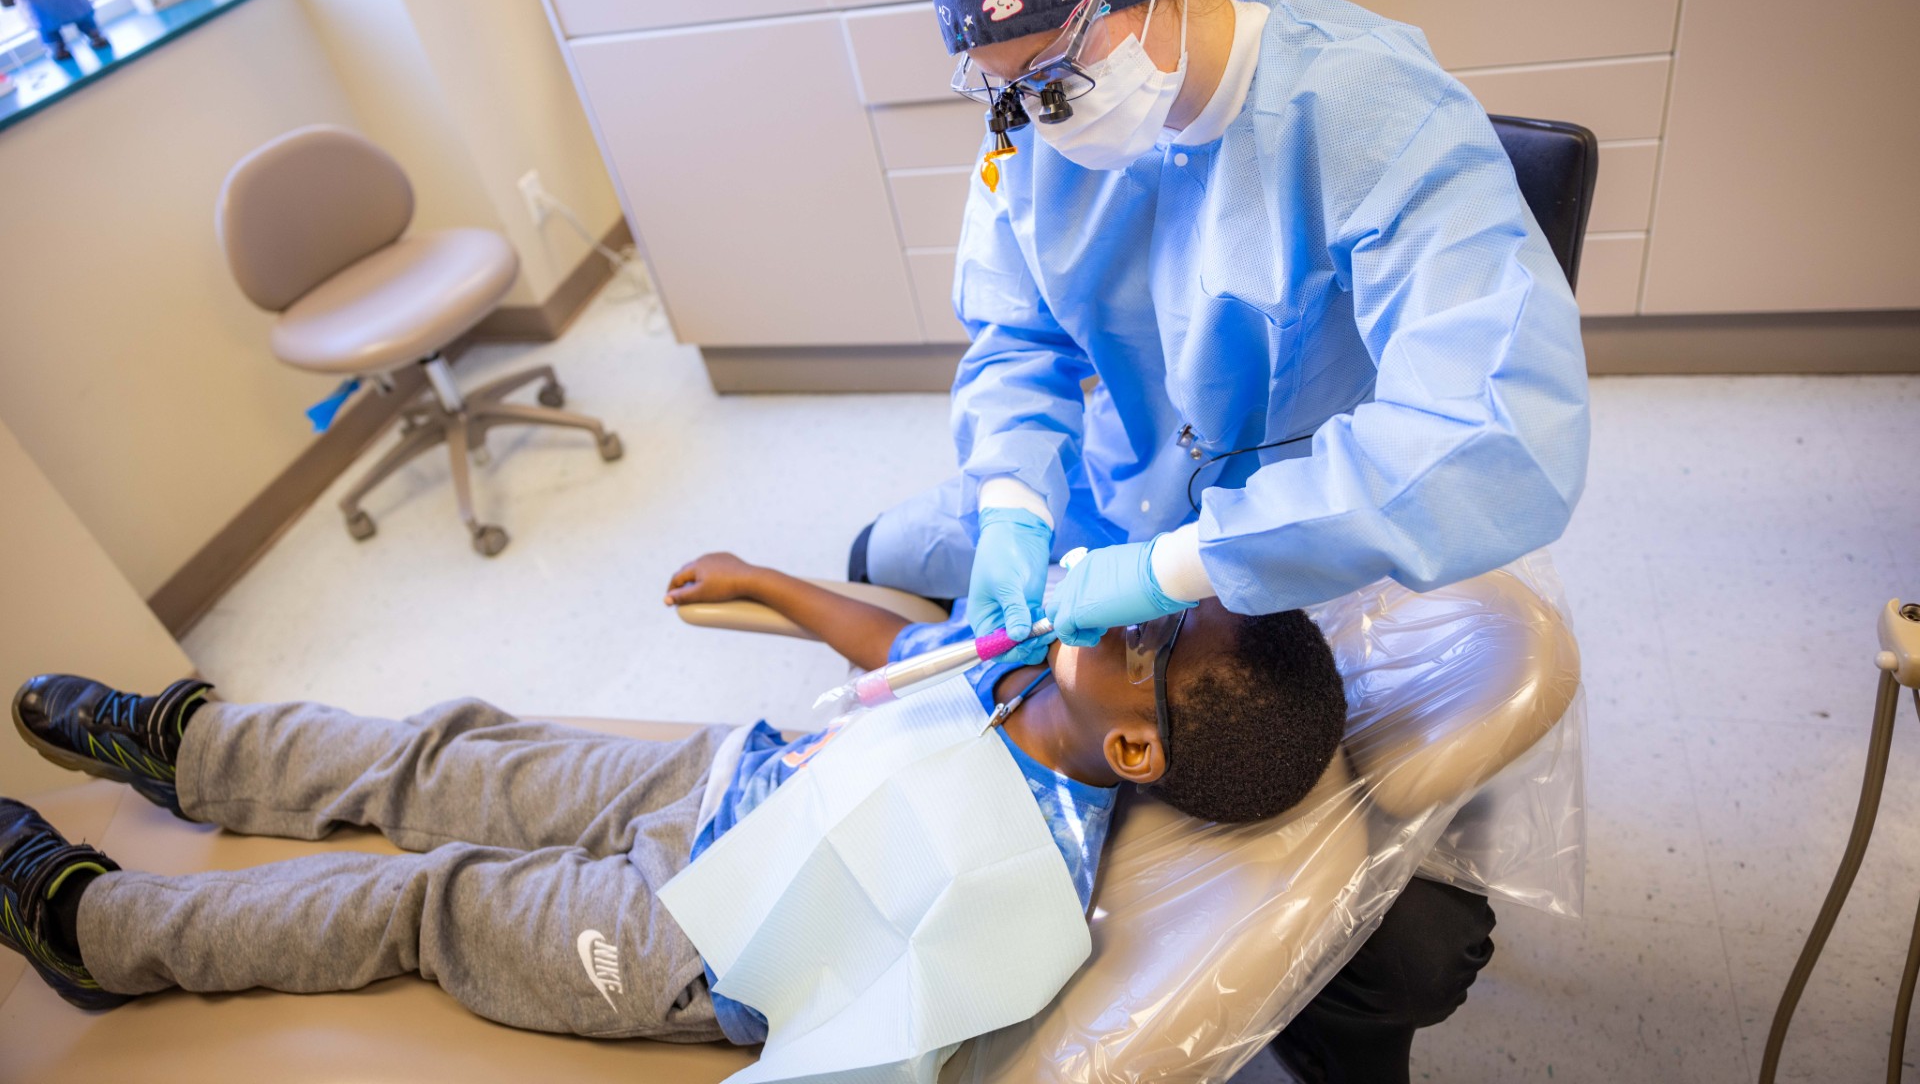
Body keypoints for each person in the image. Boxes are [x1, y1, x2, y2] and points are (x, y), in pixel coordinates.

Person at [853, 0, 1592, 1078]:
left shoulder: (1369, 113)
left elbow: (1495, 427)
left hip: (1315, 566)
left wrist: (1185, 566)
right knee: (879, 557)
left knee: (1398, 953)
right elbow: (1018, 337)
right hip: (1104, 507)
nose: (1037, 116)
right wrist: (1016, 500)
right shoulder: (1036, 127)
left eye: (1057, 74)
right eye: (1007, 87)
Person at [0, 550, 1344, 1050]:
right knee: (452, 752)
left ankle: (96, 934)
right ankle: (193, 751)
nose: (1126, 606)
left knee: (425, 902)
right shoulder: (1026, 667)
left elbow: (879, 1037)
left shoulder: (1024, 889)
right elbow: (902, 651)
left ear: (1136, 749)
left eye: (1153, 633)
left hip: (688, 941)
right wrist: (769, 581)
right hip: (710, 776)